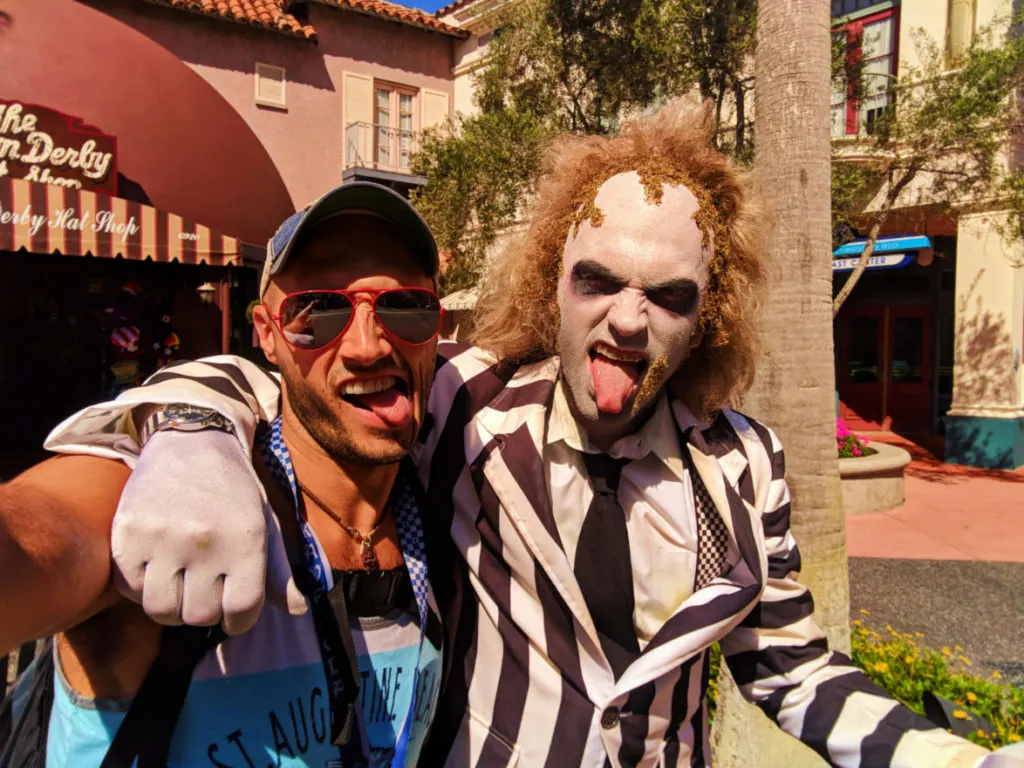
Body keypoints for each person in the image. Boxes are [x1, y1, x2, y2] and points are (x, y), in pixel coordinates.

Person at [41, 104, 1009, 767]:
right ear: (552, 282)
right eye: (598, 281)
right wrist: (192, 431)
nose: (628, 322)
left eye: (667, 295)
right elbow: (310, 379)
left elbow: (788, 664)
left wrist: (934, 753)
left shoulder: (742, 465)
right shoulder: (473, 402)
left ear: (707, 316)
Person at [0, 182, 451, 767]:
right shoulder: (173, 495)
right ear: (267, 334)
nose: (367, 346)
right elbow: (41, 534)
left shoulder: (451, 504)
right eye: (317, 312)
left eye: (403, 307)